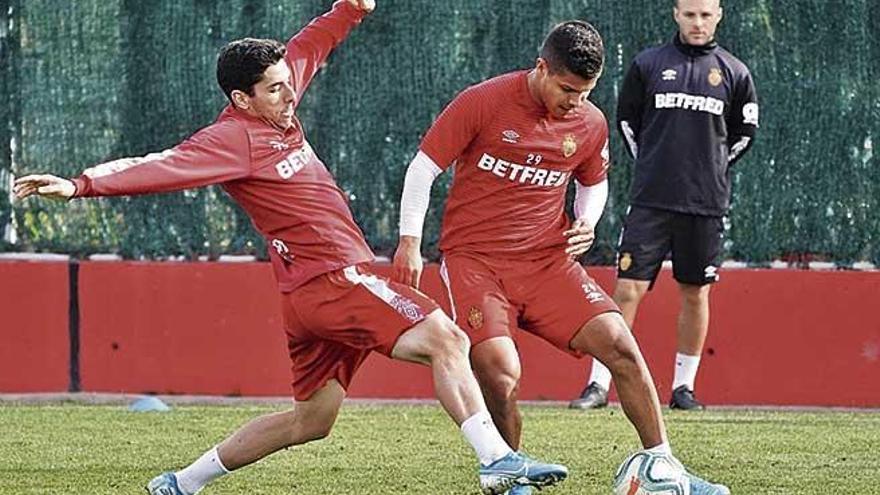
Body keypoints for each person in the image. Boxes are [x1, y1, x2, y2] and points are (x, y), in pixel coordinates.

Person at [13, 2, 570, 494]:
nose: (288, 93)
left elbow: (311, 45)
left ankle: (181, 483)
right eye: (274, 88)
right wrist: (80, 183)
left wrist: (351, 9)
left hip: (308, 296)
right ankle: (497, 460)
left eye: (286, 82)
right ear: (241, 97)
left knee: (312, 421)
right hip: (334, 281)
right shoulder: (231, 138)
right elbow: (161, 166)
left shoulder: (279, 94)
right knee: (446, 337)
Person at [392, 18, 729, 495]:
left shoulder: (589, 122)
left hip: (548, 265)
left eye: (586, 91)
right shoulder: (483, 101)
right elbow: (422, 169)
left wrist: (587, 221)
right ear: (541, 69)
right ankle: (509, 476)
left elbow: (595, 181)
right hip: (476, 264)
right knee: (502, 373)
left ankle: (661, 467)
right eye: (567, 89)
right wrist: (409, 241)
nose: (576, 101)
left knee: (622, 347)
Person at [570, 0, 758, 412]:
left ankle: (683, 388)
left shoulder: (734, 72)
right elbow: (626, 122)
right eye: (690, 14)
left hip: (705, 204)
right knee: (627, 289)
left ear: (718, 15)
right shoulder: (648, 64)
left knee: (695, 292)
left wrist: (709, 169)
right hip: (651, 200)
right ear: (676, 14)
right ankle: (599, 385)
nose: (697, 22)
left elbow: (744, 133)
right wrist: (653, 163)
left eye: (705, 15)